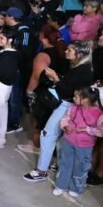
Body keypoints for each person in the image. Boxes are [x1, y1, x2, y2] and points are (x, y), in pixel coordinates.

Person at [23, 40, 94, 183]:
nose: (66, 52)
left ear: (79, 54)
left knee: (48, 135)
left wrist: (55, 79)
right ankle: (60, 164)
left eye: (70, 50)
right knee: (61, 139)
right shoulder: (79, 67)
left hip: (67, 105)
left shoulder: (82, 70)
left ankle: (41, 171)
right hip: (68, 105)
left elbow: (68, 91)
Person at [18, 26, 68, 154]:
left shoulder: (43, 55)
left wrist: (29, 92)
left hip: (43, 92)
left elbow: (36, 76)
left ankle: (36, 145)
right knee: (47, 121)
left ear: (44, 38)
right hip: (57, 92)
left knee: (38, 119)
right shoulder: (62, 52)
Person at [52, 87, 103, 197]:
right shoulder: (73, 108)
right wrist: (65, 126)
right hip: (68, 141)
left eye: (76, 96)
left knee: (81, 167)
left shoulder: (98, 113)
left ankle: (76, 188)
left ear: (85, 100)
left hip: (85, 146)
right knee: (65, 163)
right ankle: (61, 185)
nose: (74, 98)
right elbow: (65, 119)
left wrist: (87, 129)